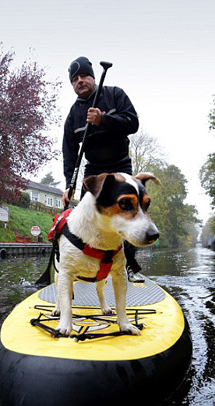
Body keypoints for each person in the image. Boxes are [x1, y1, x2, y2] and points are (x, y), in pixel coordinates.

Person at [61, 56, 145, 283]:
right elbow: (69, 151)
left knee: (127, 214)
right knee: (84, 220)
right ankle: (85, 269)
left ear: (93, 76)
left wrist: (104, 119)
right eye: (75, 79)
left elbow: (132, 123)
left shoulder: (114, 94)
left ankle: (128, 267)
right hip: (94, 170)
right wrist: (69, 183)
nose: (80, 81)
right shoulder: (73, 114)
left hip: (120, 165)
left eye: (84, 76)